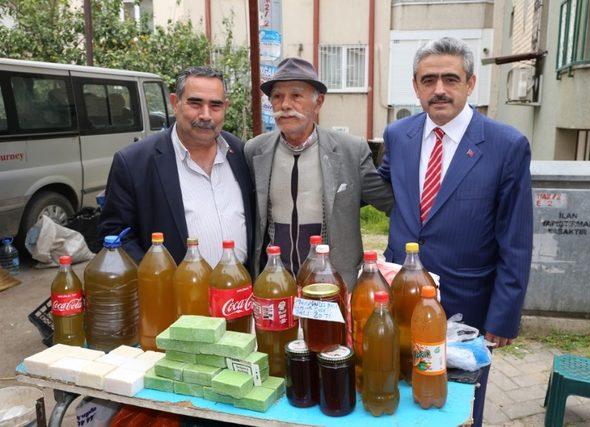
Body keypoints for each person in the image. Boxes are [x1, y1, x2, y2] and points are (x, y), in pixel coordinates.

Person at [379, 37, 533, 425]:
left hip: (468, 307)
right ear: (415, 86)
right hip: (402, 296)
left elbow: (516, 239)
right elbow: (386, 189)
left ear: (470, 83)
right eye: (428, 80)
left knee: (459, 407)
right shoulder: (397, 137)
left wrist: (503, 317)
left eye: (451, 78)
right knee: (403, 394)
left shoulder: (506, 145)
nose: (439, 90)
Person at [244, 57, 393, 288]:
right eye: (277, 96)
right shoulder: (255, 151)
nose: (285, 105)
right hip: (275, 284)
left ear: (318, 102)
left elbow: (392, 202)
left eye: (296, 95)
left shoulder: (350, 151)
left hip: (333, 284)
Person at [99, 66, 254, 268]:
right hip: (174, 295)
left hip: (239, 295)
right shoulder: (134, 163)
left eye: (215, 106)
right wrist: (158, 279)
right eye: (195, 103)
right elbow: (116, 237)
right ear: (175, 103)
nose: (206, 115)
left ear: (225, 107)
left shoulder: (241, 153)